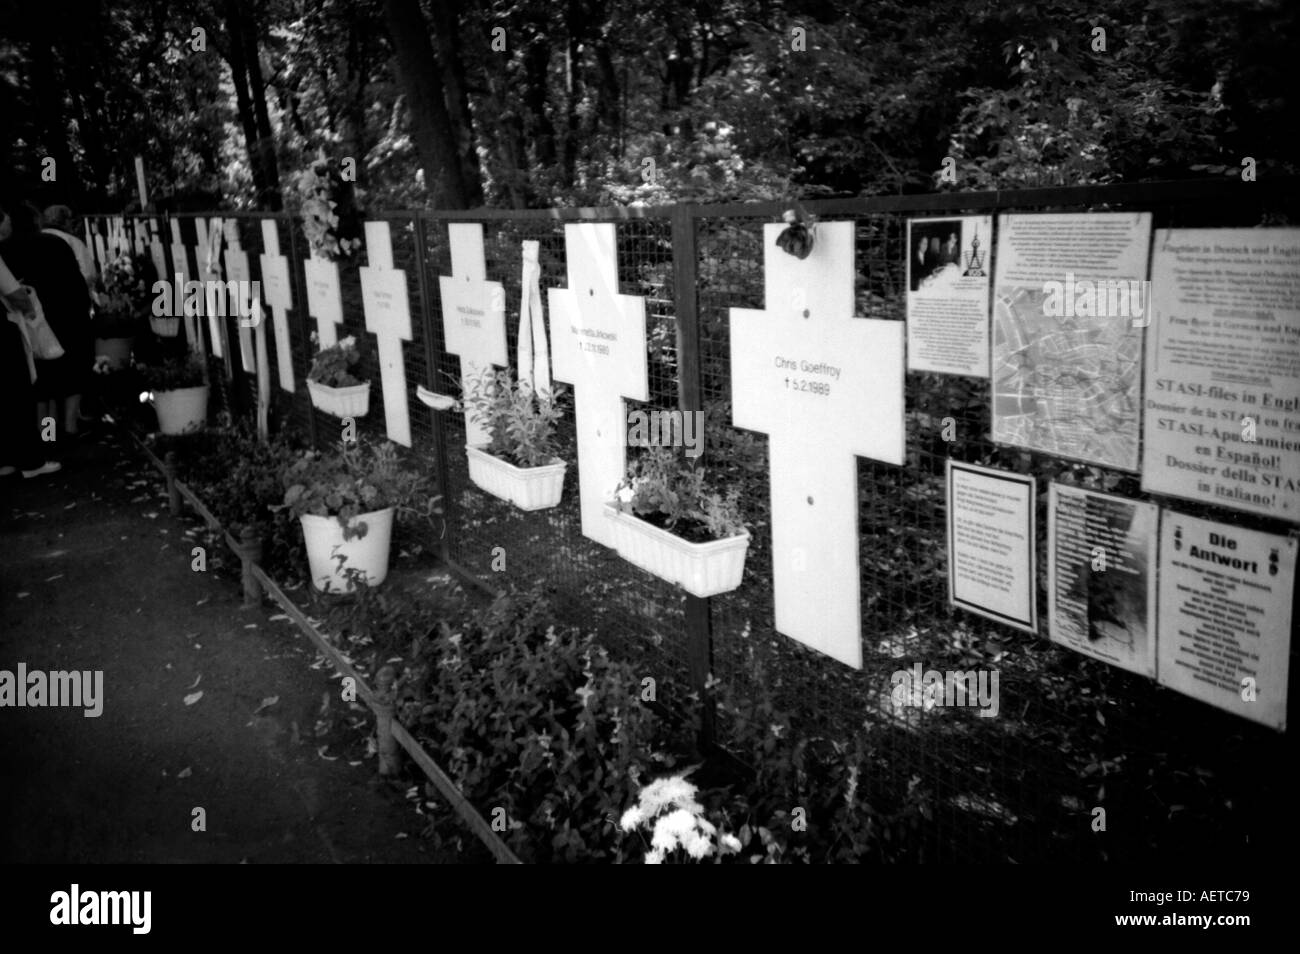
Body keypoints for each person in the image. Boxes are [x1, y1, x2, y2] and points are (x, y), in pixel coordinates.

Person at [0, 197, 94, 440]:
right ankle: (70, 426)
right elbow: (76, 282)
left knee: (42, 384)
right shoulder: (55, 243)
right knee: (71, 375)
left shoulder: (5, 250)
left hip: (28, 320)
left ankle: (46, 433)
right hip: (65, 315)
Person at [0, 249, 62, 478]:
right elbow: (14, 292)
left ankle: (7, 458)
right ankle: (39, 450)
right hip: (10, 328)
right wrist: (29, 308)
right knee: (22, 394)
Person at [42, 204, 97, 294]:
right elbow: (89, 274)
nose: (71, 223)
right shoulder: (73, 242)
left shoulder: (31, 241)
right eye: (70, 220)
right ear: (65, 221)